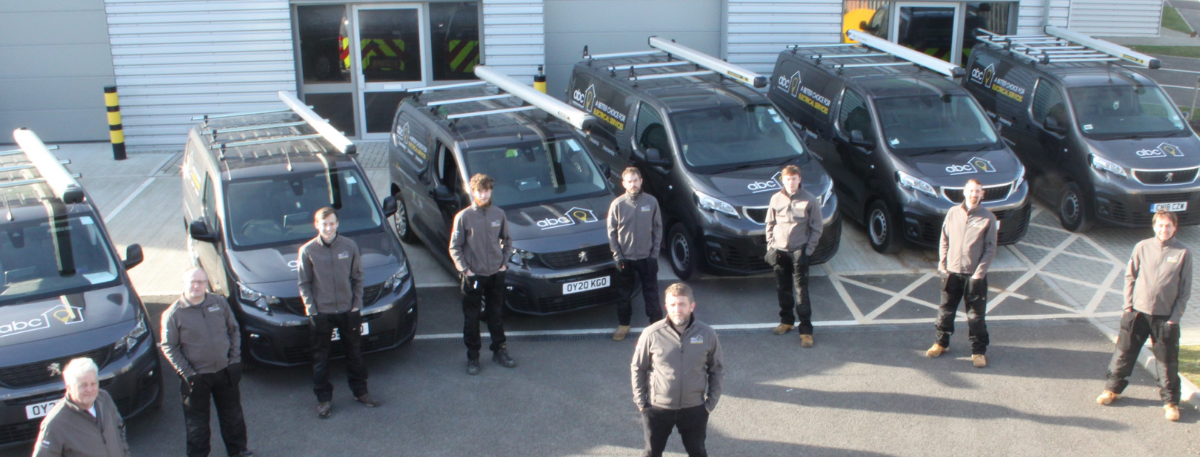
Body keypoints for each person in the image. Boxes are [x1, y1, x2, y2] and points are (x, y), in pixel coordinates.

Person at [1097, 209, 1190, 422]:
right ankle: (1112, 390)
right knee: (1123, 354)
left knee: (1167, 362)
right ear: (1154, 226)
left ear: (1174, 227)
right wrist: (1128, 306)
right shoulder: (1142, 247)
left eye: (1168, 226)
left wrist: (1174, 318)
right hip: (1137, 313)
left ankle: (1170, 403)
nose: (1164, 229)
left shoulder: (1183, 252)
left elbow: (1185, 291)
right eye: (1160, 225)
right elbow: (1130, 276)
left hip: (1166, 317)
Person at [298, 207, 380, 418]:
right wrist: (312, 310)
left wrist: (356, 305)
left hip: (348, 310)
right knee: (321, 358)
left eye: (332, 223)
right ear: (317, 225)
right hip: (322, 313)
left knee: (355, 353)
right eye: (324, 224)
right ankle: (323, 400)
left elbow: (358, 277)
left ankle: (361, 392)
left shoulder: (349, 246)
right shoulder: (307, 251)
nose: (328, 227)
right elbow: (304, 284)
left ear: (337, 224)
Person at [160, 268, 252, 457]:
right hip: (196, 378)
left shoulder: (219, 303)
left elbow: (233, 330)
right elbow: (169, 346)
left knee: (233, 416)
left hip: (225, 371)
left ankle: (238, 451)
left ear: (206, 284)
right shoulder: (174, 313)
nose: (197, 286)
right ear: (184, 283)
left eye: (201, 282)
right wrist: (188, 373)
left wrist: (234, 361)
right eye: (193, 282)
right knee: (197, 425)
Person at [631, 283, 724, 457]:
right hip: (657, 408)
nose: (677, 309)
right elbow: (638, 367)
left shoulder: (707, 334)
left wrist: (710, 404)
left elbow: (716, 369)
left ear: (692, 306)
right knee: (652, 452)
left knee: (697, 451)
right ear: (666, 306)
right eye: (672, 305)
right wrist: (641, 403)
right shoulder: (651, 334)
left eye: (682, 304)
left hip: (694, 408)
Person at [449, 173, 517, 375]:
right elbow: (455, 247)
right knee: (471, 318)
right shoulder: (464, 217)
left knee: (496, 315)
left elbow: (507, 241)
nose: (484, 194)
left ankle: (499, 350)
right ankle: (473, 357)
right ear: (472, 191)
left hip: (496, 274)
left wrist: (504, 264)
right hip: (473, 277)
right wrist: (466, 270)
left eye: (487, 190)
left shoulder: (499, 214)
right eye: (480, 190)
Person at [927, 178, 996, 367]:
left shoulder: (988, 218)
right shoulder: (952, 213)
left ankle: (978, 351)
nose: (974, 194)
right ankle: (941, 343)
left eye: (978, 192)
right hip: (951, 273)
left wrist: (979, 274)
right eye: (971, 191)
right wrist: (942, 264)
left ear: (982, 194)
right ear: (964, 192)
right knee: (945, 311)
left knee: (975, 316)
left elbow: (990, 248)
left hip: (974, 276)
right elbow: (944, 239)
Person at [764, 165, 823, 347]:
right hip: (780, 252)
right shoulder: (775, 199)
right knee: (783, 288)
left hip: (799, 251)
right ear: (783, 180)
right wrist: (771, 246)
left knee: (801, 291)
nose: (791, 182)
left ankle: (805, 331)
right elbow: (770, 223)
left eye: (794, 178)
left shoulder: (810, 200)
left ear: (800, 179)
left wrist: (808, 251)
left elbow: (817, 228)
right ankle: (787, 321)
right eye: (787, 179)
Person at [32, 358, 130, 457]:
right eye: (83, 385)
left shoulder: (104, 398)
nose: (90, 389)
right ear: (69, 388)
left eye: (93, 384)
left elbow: (120, 429)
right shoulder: (56, 423)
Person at [608, 166, 664, 341]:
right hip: (625, 259)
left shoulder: (651, 202)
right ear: (624, 183)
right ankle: (623, 325)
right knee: (624, 295)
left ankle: (657, 327)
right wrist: (618, 257)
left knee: (652, 293)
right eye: (629, 181)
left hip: (647, 258)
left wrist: (654, 255)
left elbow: (657, 229)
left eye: (635, 180)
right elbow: (612, 233)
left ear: (641, 181)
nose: (633, 184)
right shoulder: (617, 204)